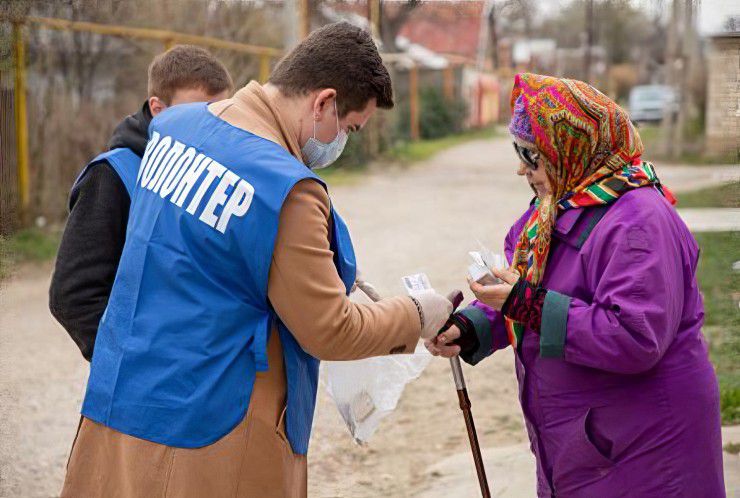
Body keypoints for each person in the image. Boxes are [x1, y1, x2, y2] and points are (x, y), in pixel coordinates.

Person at [60, 22, 454, 498]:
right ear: (323, 101)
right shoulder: (286, 189)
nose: (342, 142)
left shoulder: (173, 127)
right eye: (349, 128)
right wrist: (418, 314)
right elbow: (330, 328)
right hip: (211, 435)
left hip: (120, 401)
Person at [429, 73, 725, 497]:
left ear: (572, 146)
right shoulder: (555, 210)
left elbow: (633, 337)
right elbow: (528, 291)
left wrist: (524, 303)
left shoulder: (639, 221)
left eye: (531, 156)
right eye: (521, 153)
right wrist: (473, 326)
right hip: (588, 447)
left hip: (646, 450)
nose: (521, 168)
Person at [49, 45, 233, 361]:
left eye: (221, 113)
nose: (212, 127)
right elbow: (73, 297)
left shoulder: (217, 170)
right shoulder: (112, 175)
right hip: (149, 381)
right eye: (197, 114)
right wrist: (135, 363)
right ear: (158, 109)